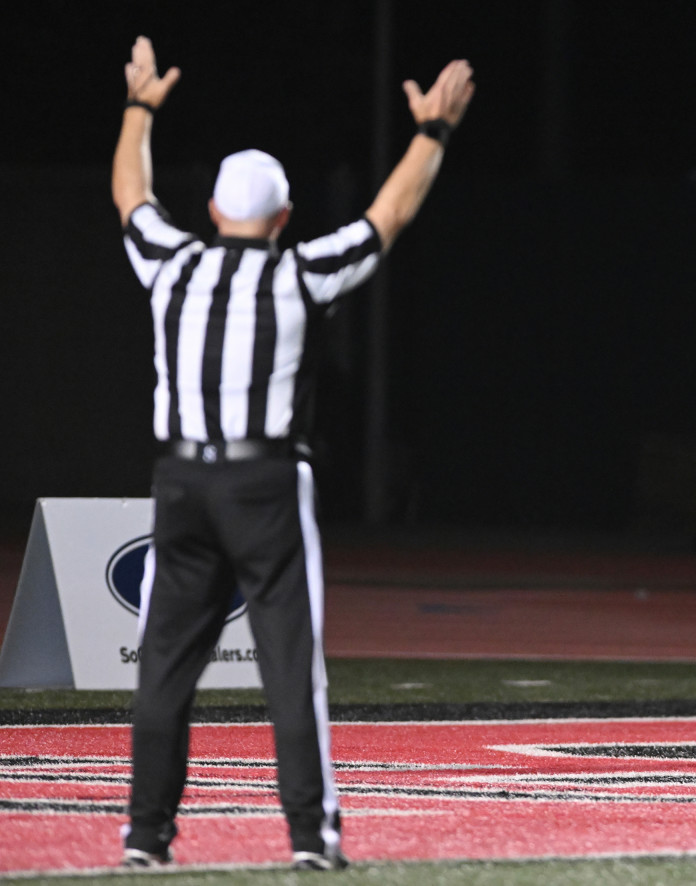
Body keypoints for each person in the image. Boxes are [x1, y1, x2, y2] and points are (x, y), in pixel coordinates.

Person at [111, 36, 474, 868]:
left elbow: (130, 193)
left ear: (211, 212)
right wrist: (434, 132)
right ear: (282, 219)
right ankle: (310, 837)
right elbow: (390, 217)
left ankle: (145, 836)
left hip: (181, 476)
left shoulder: (172, 264)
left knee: (164, 665)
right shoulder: (298, 272)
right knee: (289, 666)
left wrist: (139, 108)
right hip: (265, 479)